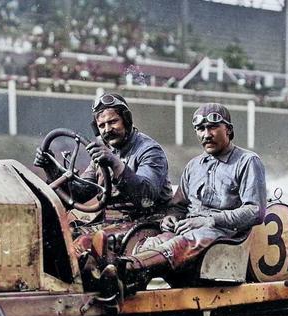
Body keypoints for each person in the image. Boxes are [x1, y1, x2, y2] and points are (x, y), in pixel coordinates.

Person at [98, 102, 267, 301]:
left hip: (223, 234)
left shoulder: (247, 161)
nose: (206, 134)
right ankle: (124, 278)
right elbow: (178, 205)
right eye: (201, 129)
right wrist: (169, 218)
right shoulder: (193, 166)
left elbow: (256, 211)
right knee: (153, 242)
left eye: (213, 127)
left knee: (177, 245)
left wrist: (210, 220)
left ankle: (122, 270)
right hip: (189, 229)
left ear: (228, 130)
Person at [34, 92, 172, 212]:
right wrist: (51, 168)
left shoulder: (149, 151)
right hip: (112, 223)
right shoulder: (102, 155)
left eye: (113, 122)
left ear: (127, 121)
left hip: (149, 222)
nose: (107, 129)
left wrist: (115, 164)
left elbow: (146, 197)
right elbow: (79, 194)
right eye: (101, 125)